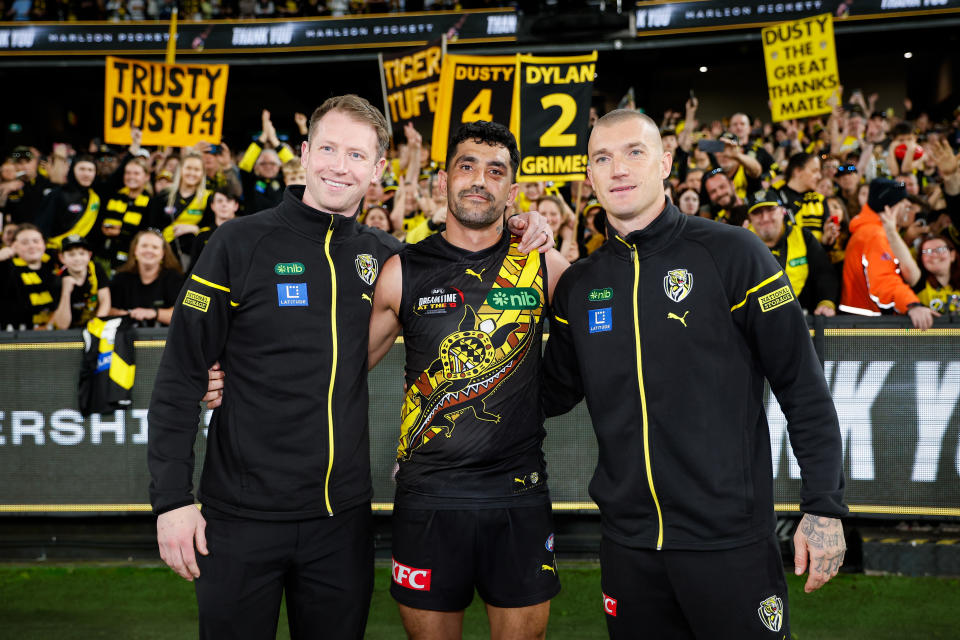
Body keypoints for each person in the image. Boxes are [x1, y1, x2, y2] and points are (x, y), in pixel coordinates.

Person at [149, 95, 552, 640]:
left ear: (378, 169)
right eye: (330, 149)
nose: (341, 166)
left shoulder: (391, 258)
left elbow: (462, 296)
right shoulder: (238, 242)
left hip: (341, 524)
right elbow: (179, 377)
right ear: (306, 152)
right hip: (240, 516)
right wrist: (172, 501)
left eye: (357, 155)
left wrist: (527, 230)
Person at [541, 110, 847, 639]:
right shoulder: (579, 284)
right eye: (602, 158)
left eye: (634, 152)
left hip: (729, 542)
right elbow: (549, 393)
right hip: (628, 548)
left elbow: (803, 388)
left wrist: (823, 507)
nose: (618, 169)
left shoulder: (735, 254)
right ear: (588, 177)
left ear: (665, 163)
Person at [367, 120, 568, 640]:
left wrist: (542, 398)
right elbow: (341, 366)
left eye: (495, 170)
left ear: (512, 189)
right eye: (467, 166)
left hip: (518, 495)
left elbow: (603, 348)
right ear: (443, 181)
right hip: (428, 498)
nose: (480, 179)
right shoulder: (403, 269)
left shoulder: (542, 264)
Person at [840, 178, 939, 329]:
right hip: (865, 326)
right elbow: (883, 279)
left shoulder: (877, 231)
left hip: (863, 323)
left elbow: (911, 275)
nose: (907, 206)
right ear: (888, 207)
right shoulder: (874, 235)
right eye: (902, 201)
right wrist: (911, 304)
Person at [744, 189, 839, 316]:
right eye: (757, 212)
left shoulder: (803, 237)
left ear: (782, 211)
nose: (765, 218)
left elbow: (824, 273)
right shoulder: (743, 243)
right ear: (749, 218)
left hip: (803, 320)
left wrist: (826, 302)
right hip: (757, 322)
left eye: (770, 209)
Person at [108, 229, 183, 326]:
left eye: (155, 247)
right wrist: (130, 314)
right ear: (135, 250)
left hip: (164, 338)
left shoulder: (174, 278)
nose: (149, 250)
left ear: (163, 253)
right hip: (127, 338)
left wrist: (153, 313)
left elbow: (182, 315)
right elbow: (107, 311)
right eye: (144, 246)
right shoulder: (121, 278)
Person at [0, 223, 59, 330]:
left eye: (36, 241)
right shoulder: (6, 267)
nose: (31, 246)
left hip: (51, 334)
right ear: (14, 246)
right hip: (15, 337)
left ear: (44, 244)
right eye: (24, 242)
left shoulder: (54, 266)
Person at [51, 234, 111, 329]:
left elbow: (105, 300)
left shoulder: (96, 269)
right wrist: (66, 292)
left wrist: (97, 323)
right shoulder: (58, 279)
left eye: (82, 253)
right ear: (62, 258)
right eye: (71, 254)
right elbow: (62, 325)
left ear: (89, 255)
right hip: (70, 333)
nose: (77, 258)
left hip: (95, 326)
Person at [188, 188, 240, 270]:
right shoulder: (202, 236)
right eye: (219, 201)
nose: (224, 205)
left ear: (236, 206)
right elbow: (193, 269)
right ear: (212, 206)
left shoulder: (243, 234)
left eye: (228, 201)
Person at [911, 234, 960, 314]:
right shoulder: (916, 282)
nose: (934, 254)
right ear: (921, 259)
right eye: (927, 251)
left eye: (940, 249)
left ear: (952, 255)